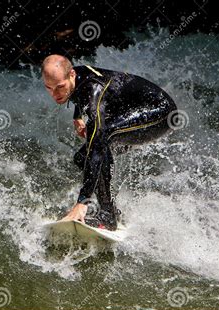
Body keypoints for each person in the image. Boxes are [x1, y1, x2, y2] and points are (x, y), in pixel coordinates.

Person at [42, 54, 177, 230]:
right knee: (83, 157)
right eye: (49, 88)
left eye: (59, 87)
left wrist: (82, 201)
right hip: (131, 110)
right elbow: (77, 92)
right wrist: (77, 116)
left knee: (101, 138)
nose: (55, 94)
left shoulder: (93, 90)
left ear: (71, 75)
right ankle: (110, 210)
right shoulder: (77, 76)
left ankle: (106, 216)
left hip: (161, 113)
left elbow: (97, 144)